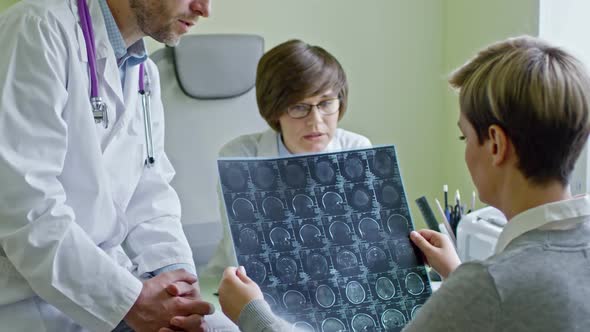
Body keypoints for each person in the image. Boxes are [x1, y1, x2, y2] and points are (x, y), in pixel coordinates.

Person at [215, 35, 590, 332]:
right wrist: (458, 276)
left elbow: (497, 294)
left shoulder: (487, 284)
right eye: (300, 107)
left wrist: (252, 315)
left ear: (494, 145)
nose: (315, 120)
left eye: (464, 138)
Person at [0, 0, 215, 331]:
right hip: (25, 301)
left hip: (106, 285)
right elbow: (24, 204)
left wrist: (177, 284)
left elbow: (150, 189)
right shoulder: (37, 28)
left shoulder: (144, 72)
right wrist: (129, 302)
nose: (204, 9)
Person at [204, 39, 371, 278]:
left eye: (325, 103)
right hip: (251, 289)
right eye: (299, 107)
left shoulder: (356, 150)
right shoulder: (240, 157)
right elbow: (244, 256)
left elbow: (365, 245)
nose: (315, 121)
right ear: (274, 108)